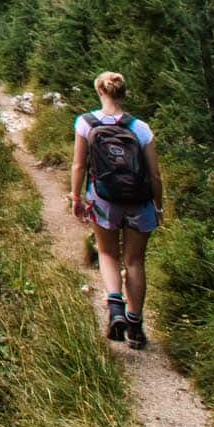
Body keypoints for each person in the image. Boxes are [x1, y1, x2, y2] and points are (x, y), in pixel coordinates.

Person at [70, 70, 164, 348]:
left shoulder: (85, 123)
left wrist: (76, 197)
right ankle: (135, 327)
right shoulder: (141, 128)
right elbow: (155, 175)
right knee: (135, 262)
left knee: (108, 253)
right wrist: (158, 207)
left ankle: (115, 309)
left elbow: (78, 165)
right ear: (123, 94)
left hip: (103, 199)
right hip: (139, 202)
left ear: (100, 92)